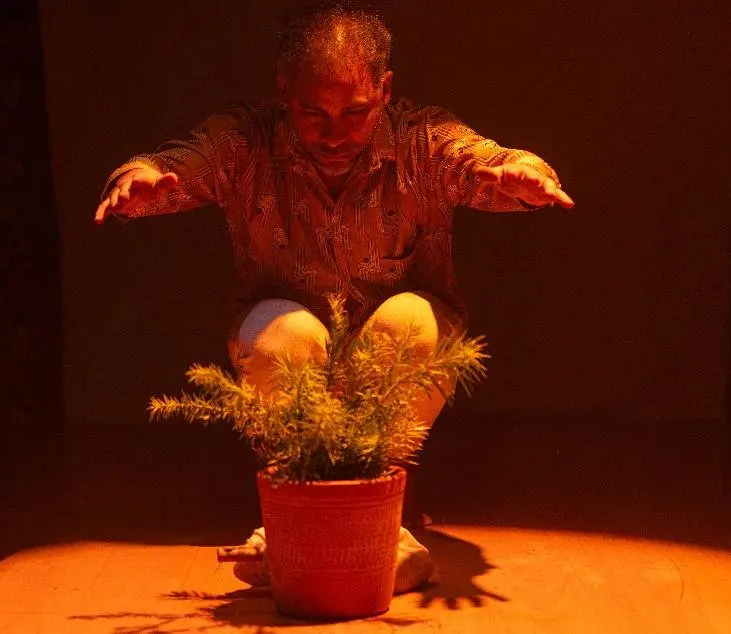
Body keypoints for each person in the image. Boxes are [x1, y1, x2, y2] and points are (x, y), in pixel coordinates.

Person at [94, 2, 574, 592]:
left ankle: (371, 519)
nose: (333, 134)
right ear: (283, 91)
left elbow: (488, 159)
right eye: (311, 112)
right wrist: (137, 180)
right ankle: (304, 515)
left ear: (385, 89)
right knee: (288, 331)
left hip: (398, 353)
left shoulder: (422, 140)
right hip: (288, 349)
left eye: (356, 112)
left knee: (409, 318)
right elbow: (176, 162)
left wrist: (524, 174)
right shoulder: (246, 141)